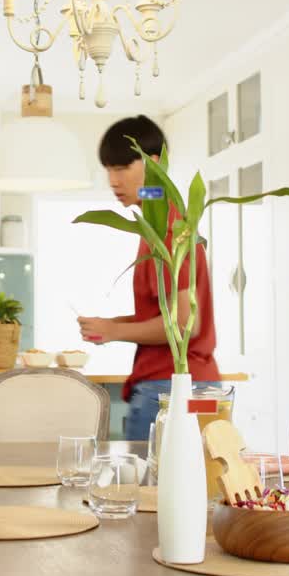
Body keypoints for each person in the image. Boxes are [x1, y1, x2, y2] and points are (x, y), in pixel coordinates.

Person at [77, 115, 220, 441]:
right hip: (192, 387)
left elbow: (184, 324)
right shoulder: (159, 222)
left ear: (153, 164)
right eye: (108, 170)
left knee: (151, 490)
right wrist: (109, 324)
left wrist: (113, 330)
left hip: (173, 388)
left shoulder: (170, 229)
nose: (113, 181)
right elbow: (165, 315)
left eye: (121, 168)